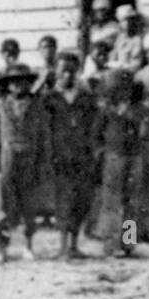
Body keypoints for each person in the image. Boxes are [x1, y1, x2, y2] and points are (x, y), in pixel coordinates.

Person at [0, 63, 53, 262]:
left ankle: (28, 245)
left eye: (23, 82)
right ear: (7, 85)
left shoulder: (37, 105)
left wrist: (44, 162)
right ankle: (2, 247)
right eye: (13, 83)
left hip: (30, 158)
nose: (18, 86)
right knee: (4, 207)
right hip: (7, 158)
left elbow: (44, 136)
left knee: (29, 205)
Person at [45, 51, 98, 259]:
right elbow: (45, 128)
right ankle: (62, 245)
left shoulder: (85, 98)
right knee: (63, 200)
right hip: (59, 155)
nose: (67, 75)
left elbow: (93, 126)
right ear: (56, 72)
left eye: (71, 71)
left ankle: (75, 245)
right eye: (63, 71)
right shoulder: (50, 98)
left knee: (80, 199)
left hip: (81, 154)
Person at [93, 69, 149, 257]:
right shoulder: (106, 110)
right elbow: (96, 134)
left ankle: (128, 242)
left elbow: (144, 131)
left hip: (134, 157)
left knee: (131, 202)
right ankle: (110, 243)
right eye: (119, 89)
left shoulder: (137, 109)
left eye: (127, 89)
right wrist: (101, 153)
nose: (123, 93)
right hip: (113, 157)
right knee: (111, 202)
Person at [109, 6, 145, 73]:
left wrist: (122, 66)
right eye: (124, 21)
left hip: (130, 74)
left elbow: (136, 64)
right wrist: (113, 63)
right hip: (118, 71)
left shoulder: (137, 40)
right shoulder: (120, 38)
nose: (127, 23)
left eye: (130, 20)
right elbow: (113, 56)